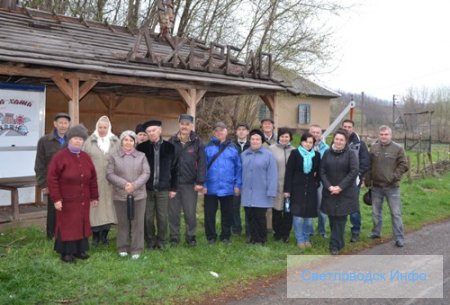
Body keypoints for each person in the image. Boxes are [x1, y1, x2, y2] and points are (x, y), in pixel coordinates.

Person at [47, 124, 98, 263]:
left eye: (81, 139)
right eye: (75, 138)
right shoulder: (60, 157)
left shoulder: (86, 157)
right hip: (66, 200)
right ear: (70, 139)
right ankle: (66, 253)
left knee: (82, 223)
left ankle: (80, 250)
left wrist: (94, 196)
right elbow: (52, 178)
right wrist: (56, 198)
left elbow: (92, 178)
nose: (78, 141)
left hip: (83, 199)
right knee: (68, 225)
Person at [106, 130, 150, 259]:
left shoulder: (141, 156)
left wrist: (134, 185)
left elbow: (146, 173)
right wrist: (124, 184)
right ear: (121, 141)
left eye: (131, 140)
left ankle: (137, 248)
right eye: (125, 140)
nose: (128, 142)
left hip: (139, 195)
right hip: (120, 194)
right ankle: (122, 247)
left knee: (138, 222)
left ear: (134, 142)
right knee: (123, 222)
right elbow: (109, 174)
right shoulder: (114, 157)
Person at [365, 125, 409, 247]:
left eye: (386, 134)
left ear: (391, 135)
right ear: (379, 135)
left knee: (396, 213)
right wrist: (367, 180)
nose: (384, 136)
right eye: (382, 134)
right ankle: (376, 232)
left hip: (392, 187)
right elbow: (368, 165)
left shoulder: (398, 148)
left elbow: (404, 165)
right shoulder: (373, 148)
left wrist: (394, 176)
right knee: (375, 212)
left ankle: (399, 238)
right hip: (376, 187)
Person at [137, 120, 177, 250]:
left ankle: (161, 240)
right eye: (148, 131)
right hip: (146, 189)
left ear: (160, 130)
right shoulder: (141, 148)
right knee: (147, 218)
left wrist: (173, 188)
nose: (151, 133)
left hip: (163, 189)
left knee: (162, 217)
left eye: (153, 130)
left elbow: (175, 169)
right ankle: (150, 240)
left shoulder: (170, 147)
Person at [168, 114, 206, 247]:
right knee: (173, 213)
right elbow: (167, 163)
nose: (184, 126)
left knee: (190, 213)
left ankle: (191, 236)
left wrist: (200, 182)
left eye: (187, 124)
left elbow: (202, 163)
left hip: (190, 185)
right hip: (174, 184)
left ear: (191, 126)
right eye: (182, 124)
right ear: (179, 124)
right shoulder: (171, 141)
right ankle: (174, 237)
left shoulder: (198, 142)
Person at [83, 116, 120, 247]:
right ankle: (95, 237)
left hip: (111, 183)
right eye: (100, 127)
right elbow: (83, 161)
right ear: (96, 127)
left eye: (105, 127)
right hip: (94, 182)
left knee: (109, 209)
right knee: (94, 209)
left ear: (108, 127)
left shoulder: (116, 142)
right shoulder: (89, 142)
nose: (102, 130)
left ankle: (104, 236)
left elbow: (120, 160)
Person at [320, 129, 359, 255]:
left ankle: (334, 246)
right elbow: (322, 171)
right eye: (337, 139)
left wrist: (340, 187)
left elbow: (353, 172)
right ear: (333, 139)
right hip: (330, 192)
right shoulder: (327, 153)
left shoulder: (351, 154)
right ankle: (339, 242)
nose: (338, 142)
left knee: (340, 220)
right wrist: (329, 186)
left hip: (345, 193)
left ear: (346, 141)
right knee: (332, 219)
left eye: (341, 140)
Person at [203, 122, 242, 244]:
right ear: (214, 133)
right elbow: (202, 168)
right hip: (210, 187)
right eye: (217, 131)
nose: (219, 133)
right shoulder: (207, 147)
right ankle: (211, 237)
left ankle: (225, 236)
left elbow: (238, 168)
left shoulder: (233, 148)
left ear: (226, 131)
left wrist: (237, 185)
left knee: (227, 214)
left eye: (222, 130)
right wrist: (203, 184)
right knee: (209, 215)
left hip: (228, 187)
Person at [35, 112, 71, 240]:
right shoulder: (45, 141)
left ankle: (65, 234)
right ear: (55, 124)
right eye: (60, 123)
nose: (63, 125)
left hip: (69, 183)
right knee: (53, 210)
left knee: (68, 209)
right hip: (53, 182)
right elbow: (39, 164)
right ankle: (51, 236)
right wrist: (44, 184)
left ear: (69, 125)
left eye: (65, 123)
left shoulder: (72, 140)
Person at [284, 132, 320, 249]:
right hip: (296, 190)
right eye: (306, 141)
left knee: (308, 219)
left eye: (310, 142)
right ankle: (300, 239)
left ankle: (306, 238)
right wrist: (287, 190)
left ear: (313, 144)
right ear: (301, 142)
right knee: (298, 217)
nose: (308, 144)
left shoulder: (317, 155)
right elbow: (289, 173)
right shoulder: (294, 154)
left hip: (310, 190)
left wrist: (316, 182)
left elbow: (319, 172)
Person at [241, 129, 277, 245]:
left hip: (262, 191)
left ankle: (261, 239)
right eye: (253, 139)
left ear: (261, 141)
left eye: (257, 139)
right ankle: (253, 238)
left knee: (260, 217)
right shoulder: (244, 154)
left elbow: (272, 174)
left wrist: (271, 191)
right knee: (250, 216)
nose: (255, 141)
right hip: (247, 191)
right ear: (249, 140)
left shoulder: (268, 155)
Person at [342, 119, 370, 242]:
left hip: (354, 181)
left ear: (352, 128)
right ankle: (339, 230)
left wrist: (358, 175)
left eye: (349, 127)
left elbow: (365, 162)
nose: (347, 129)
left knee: (353, 207)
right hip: (339, 180)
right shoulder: (338, 140)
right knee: (339, 206)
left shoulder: (360, 144)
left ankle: (356, 230)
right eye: (345, 126)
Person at [268, 128, 294, 242]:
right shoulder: (271, 149)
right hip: (276, 185)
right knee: (276, 211)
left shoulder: (294, 150)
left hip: (290, 186)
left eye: (287, 136)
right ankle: (277, 233)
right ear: (279, 137)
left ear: (290, 138)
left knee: (288, 211)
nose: (284, 139)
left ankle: (286, 234)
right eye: (282, 136)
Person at [309, 124, 329, 238]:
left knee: (322, 207)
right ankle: (310, 230)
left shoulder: (326, 148)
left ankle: (321, 231)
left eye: (317, 132)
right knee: (309, 206)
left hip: (321, 182)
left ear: (321, 134)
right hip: (308, 181)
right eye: (313, 132)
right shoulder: (305, 146)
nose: (315, 134)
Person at [231, 122, 250, 236]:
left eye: (244, 129)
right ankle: (236, 229)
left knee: (248, 207)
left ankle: (249, 229)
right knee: (234, 206)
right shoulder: (231, 145)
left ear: (247, 132)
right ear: (236, 132)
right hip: (235, 181)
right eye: (239, 129)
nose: (241, 131)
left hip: (249, 181)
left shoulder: (252, 144)